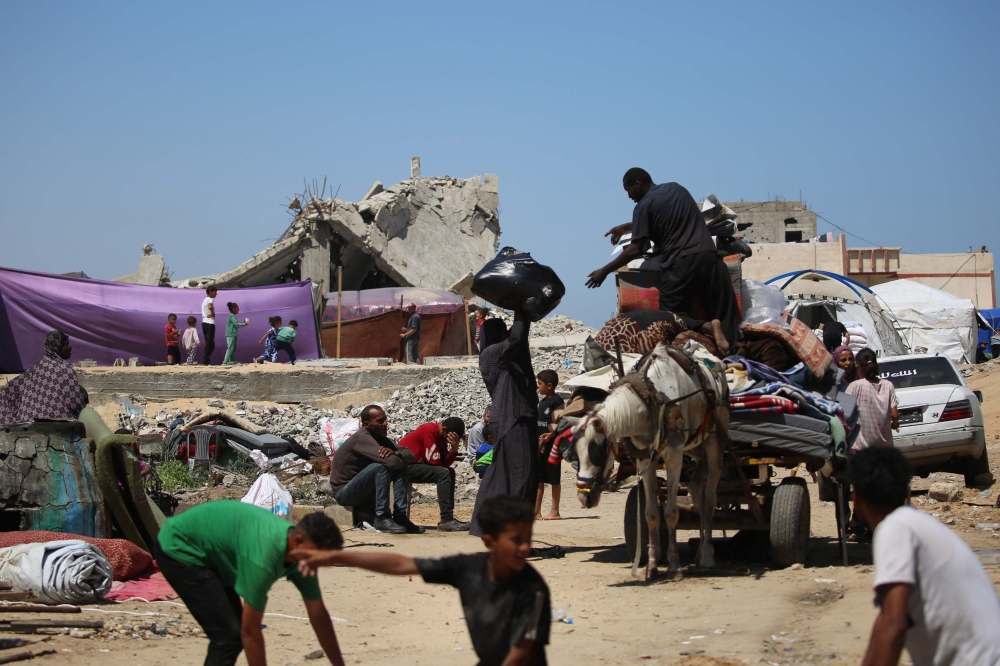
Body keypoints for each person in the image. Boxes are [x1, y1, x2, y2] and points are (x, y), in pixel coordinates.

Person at [291, 495, 551, 666]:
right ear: (489, 542)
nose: (525, 547)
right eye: (516, 540)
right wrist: (336, 556)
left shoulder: (533, 589)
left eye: (528, 539)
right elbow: (402, 564)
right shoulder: (468, 568)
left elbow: (519, 654)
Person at [853, 447, 1000, 666]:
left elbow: (894, 625)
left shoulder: (895, 527)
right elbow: (885, 619)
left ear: (856, 499)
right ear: (905, 492)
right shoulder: (915, 523)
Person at [155, 501, 346, 666]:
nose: (316, 567)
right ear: (298, 541)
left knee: (232, 634)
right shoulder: (263, 558)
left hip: (217, 553)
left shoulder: (304, 558)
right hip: (180, 547)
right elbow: (250, 632)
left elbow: (319, 616)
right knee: (228, 637)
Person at [585, 168, 736, 353]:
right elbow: (661, 218)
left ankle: (706, 327)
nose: (629, 196)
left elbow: (636, 248)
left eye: (628, 190)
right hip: (709, 256)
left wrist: (604, 271)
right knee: (725, 310)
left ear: (638, 184)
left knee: (670, 316)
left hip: (680, 264)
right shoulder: (677, 189)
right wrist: (626, 227)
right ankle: (734, 353)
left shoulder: (643, 205)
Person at [469, 312, 539, 537]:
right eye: (504, 330)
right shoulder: (492, 354)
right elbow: (517, 339)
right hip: (511, 418)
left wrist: (525, 316)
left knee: (511, 474)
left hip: (517, 416)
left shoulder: (505, 357)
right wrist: (521, 310)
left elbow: (520, 340)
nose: (508, 333)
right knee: (521, 474)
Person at [328, 405, 422, 534]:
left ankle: (400, 516)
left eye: (385, 420)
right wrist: (396, 456)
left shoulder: (379, 438)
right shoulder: (363, 437)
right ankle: (381, 517)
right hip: (344, 492)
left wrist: (397, 454)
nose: (385, 424)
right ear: (366, 424)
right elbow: (392, 462)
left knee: (401, 467)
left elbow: (410, 455)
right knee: (380, 467)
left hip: (362, 490)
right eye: (380, 421)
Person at [0, 330, 89, 424]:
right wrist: (83, 413)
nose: (70, 347)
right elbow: (73, 401)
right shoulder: (65, 369)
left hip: (28, 421)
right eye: (66, 344)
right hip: (58, 422)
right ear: (57, 346)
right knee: (81, 393)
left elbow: (7, 391)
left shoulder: (33, 371)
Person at [399, 417, 471, 531]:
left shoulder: (440, 436)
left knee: (449, 472)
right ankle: (446, 520)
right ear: (444, 429)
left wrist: (454, 450)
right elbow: (435, 462)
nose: (447, 441)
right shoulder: (429, 431)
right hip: (404, 467)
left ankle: (448, 517)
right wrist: (445, 461)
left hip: (416, 465)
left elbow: (444, 463)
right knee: (443, 473)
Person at [846, 348, 899, 450]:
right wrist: (895, 424)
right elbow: (895, 415)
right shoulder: (888, 385)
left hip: (862, 449)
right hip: (885, 448)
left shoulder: (855, 386)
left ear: (858, 366)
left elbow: (844, 413)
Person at [534, 369, 564, 521]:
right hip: (541, 446)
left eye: (540, 384)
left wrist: (551, 435)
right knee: (539, 478)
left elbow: (562, 422)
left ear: (549, 386)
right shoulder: (542, 402)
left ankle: (555, 511)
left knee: (553, 478)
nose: (537, 386)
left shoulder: (557, 402)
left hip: (553, 446)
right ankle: (536, 511)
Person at [201, 286, 218, 365]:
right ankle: (205, 361)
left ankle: (206, 360)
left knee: (209, 343)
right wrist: (212, 313)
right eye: (215, 292)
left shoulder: (204, 300)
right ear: (210, 292)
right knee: (209, 343)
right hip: (210, 323)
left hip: (204, 322)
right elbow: (210, 306)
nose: (216, 294)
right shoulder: (210, 299)